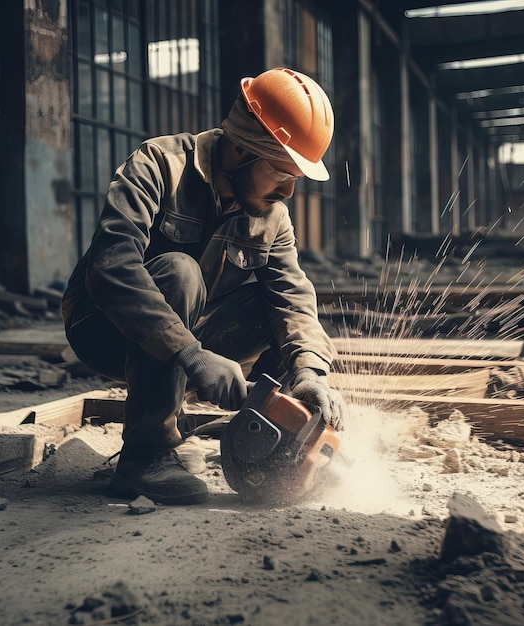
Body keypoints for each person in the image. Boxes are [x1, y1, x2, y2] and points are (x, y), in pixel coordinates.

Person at [61, 67, 345, 505]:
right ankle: (146, 456)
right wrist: (191, 354)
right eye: (281, 173)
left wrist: (310, 370)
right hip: (102, 328)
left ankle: (269, 456)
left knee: (280, 320)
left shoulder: (272, 215)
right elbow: (111, 267)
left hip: (188, 333)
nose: (289, 191)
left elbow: (292, 296)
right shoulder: (159, 164)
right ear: (242, 148)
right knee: (180, 270)